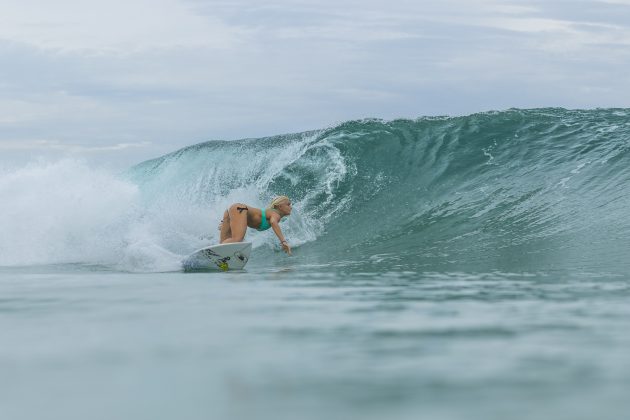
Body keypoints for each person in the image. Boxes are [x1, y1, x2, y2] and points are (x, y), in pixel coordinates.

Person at [219, 196, 292, 255]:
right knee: (237, 239)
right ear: (280, 206)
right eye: (288, 204)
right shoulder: (276, 214)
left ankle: (217, 257)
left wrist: (232, 221)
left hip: (234, 210)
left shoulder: (270, 213)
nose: (290, 207)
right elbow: (273, 222)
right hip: (240, 209)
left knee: (223, 245)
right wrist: (283, 241)